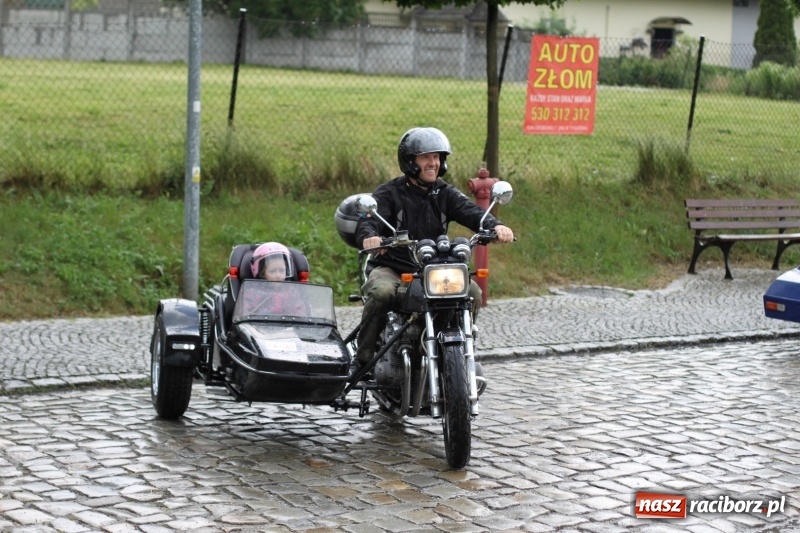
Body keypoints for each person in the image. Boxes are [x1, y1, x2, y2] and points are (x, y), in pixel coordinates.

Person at [352, 126, 514, 375]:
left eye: (437, 157)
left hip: (434, 268)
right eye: (426, 157)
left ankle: (459, 347)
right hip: (394, 267)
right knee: (382, 292)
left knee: (471, 292)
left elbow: (472, 213)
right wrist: (370, 237)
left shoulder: (444, 192)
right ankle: (363, 358)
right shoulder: (389, 192)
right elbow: (368, 221)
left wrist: (496, 226)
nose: (433, 163)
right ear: (410, 161)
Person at [239, 242, 308, 317]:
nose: (278, 275)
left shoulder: (292, 291)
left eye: (281, 270)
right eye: (273, 271)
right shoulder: (252, 293)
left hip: (289, 327)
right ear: (262, 273)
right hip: (260, 326)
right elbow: (244, 315)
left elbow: (301, 312)